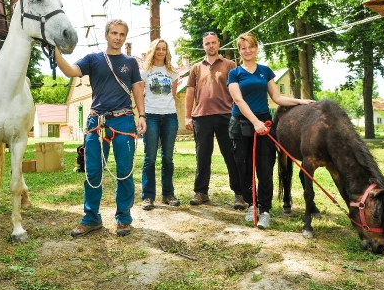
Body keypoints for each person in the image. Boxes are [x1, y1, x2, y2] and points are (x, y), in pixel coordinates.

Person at [55, 19, 146, 238]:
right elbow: (69, 71)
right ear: (106, 35)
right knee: (93, 171)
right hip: (97, 122)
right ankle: (91, 218)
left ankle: (123, 219)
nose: (118, 37)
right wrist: (55, 50)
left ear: (125, 37)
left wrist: (142, 115)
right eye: (114, 33)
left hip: (123, 120)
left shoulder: (130, 63)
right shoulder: (93, 59)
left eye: (122, 34)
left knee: (125, 172)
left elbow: (137, 90)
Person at [228, 32, 314, 229]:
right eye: (243, 48)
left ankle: (265, 210)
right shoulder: (235, 73)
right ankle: (252, 205)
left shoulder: (265, 71)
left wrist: (300, 101)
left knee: (265, 168)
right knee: (245, 168)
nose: (247, 50)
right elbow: (238, 100)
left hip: (265, 125)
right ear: (239, 51)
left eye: (250, 46)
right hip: (241, 124)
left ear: (256, 48)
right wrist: (254, 122)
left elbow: (277, 98)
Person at [185, 31, 247, 210]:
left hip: (226, 116)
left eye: (213, 42)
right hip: (201, 117)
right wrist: (188, 116)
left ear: (218, 44)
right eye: (207, 43)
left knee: (231, 156)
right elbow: (190, 93)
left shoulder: (230, 65)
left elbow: (237, 92)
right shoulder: (196, 68)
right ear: (203, 46)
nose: (210, 46)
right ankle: (201, 192)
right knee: (202, 156)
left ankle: (239, 194)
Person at [140, 38, 180, 211]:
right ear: (153, 51)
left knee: (168, 158)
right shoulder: (145, 72)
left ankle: (168, 194)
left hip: (170, 116)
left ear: (167, 51)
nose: (161, 52)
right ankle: (148, 196)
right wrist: (141, 116)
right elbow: (140, 95)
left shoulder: (172, 72)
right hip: (151, 116)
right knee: (150, 158)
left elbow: (173, 94)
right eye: (158, 49)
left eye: (164, 49)